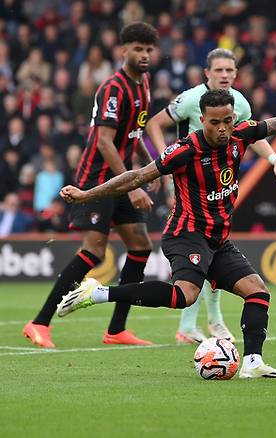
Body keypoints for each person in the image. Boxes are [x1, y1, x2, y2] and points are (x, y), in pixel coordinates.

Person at [57, 89, 276, 379]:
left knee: (257, 292)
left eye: (227, 121)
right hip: (186, 234)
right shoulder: (184, 150)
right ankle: (97, 293)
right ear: (202, 119)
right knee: (184, 296)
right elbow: (137, 176)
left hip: (217, 239)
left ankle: (253, 363)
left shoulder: (241, 134)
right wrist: (87, 195)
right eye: (215, 122)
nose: (222, 129)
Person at [22, 22, 159, 349]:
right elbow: (104, 143)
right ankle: (39, 322)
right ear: (123, 50)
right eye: (137, 49)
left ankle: (116, 330)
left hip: (123, 176)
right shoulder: (114, 88)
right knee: (94, 251)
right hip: (98, 180)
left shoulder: (145, 83)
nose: (143, 55)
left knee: (140, 246)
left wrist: (151, 167)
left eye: (148, 49)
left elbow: (134, 133)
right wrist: (133, 184)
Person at [146, 48, 276, 345]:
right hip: (190, 184)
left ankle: (208, 322)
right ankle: (198, 323)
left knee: (214, 248)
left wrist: (275, 159)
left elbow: (253, 136)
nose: (225, 75)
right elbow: (154, 124)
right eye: (219, 70)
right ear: (207, 74)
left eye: (230, 71)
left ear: (237, 74)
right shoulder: (189, 99)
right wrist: (163, 165)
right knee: (202, 248)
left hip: (220, 183)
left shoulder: (239, 102)